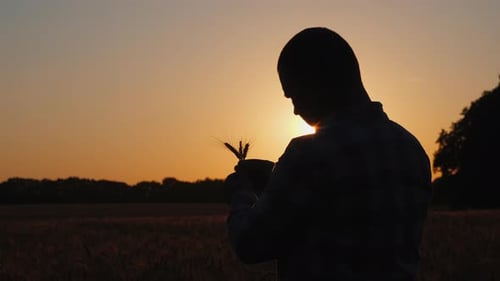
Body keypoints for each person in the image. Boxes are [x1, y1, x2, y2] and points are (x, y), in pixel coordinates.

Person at [224, 27, 433, 281]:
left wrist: (240, 194)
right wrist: (276, 177)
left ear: (316, 81)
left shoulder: (309, 154)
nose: (294, 110)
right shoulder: (412, 149)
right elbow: (348, 208)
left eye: (294, 95)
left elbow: (250, 243)